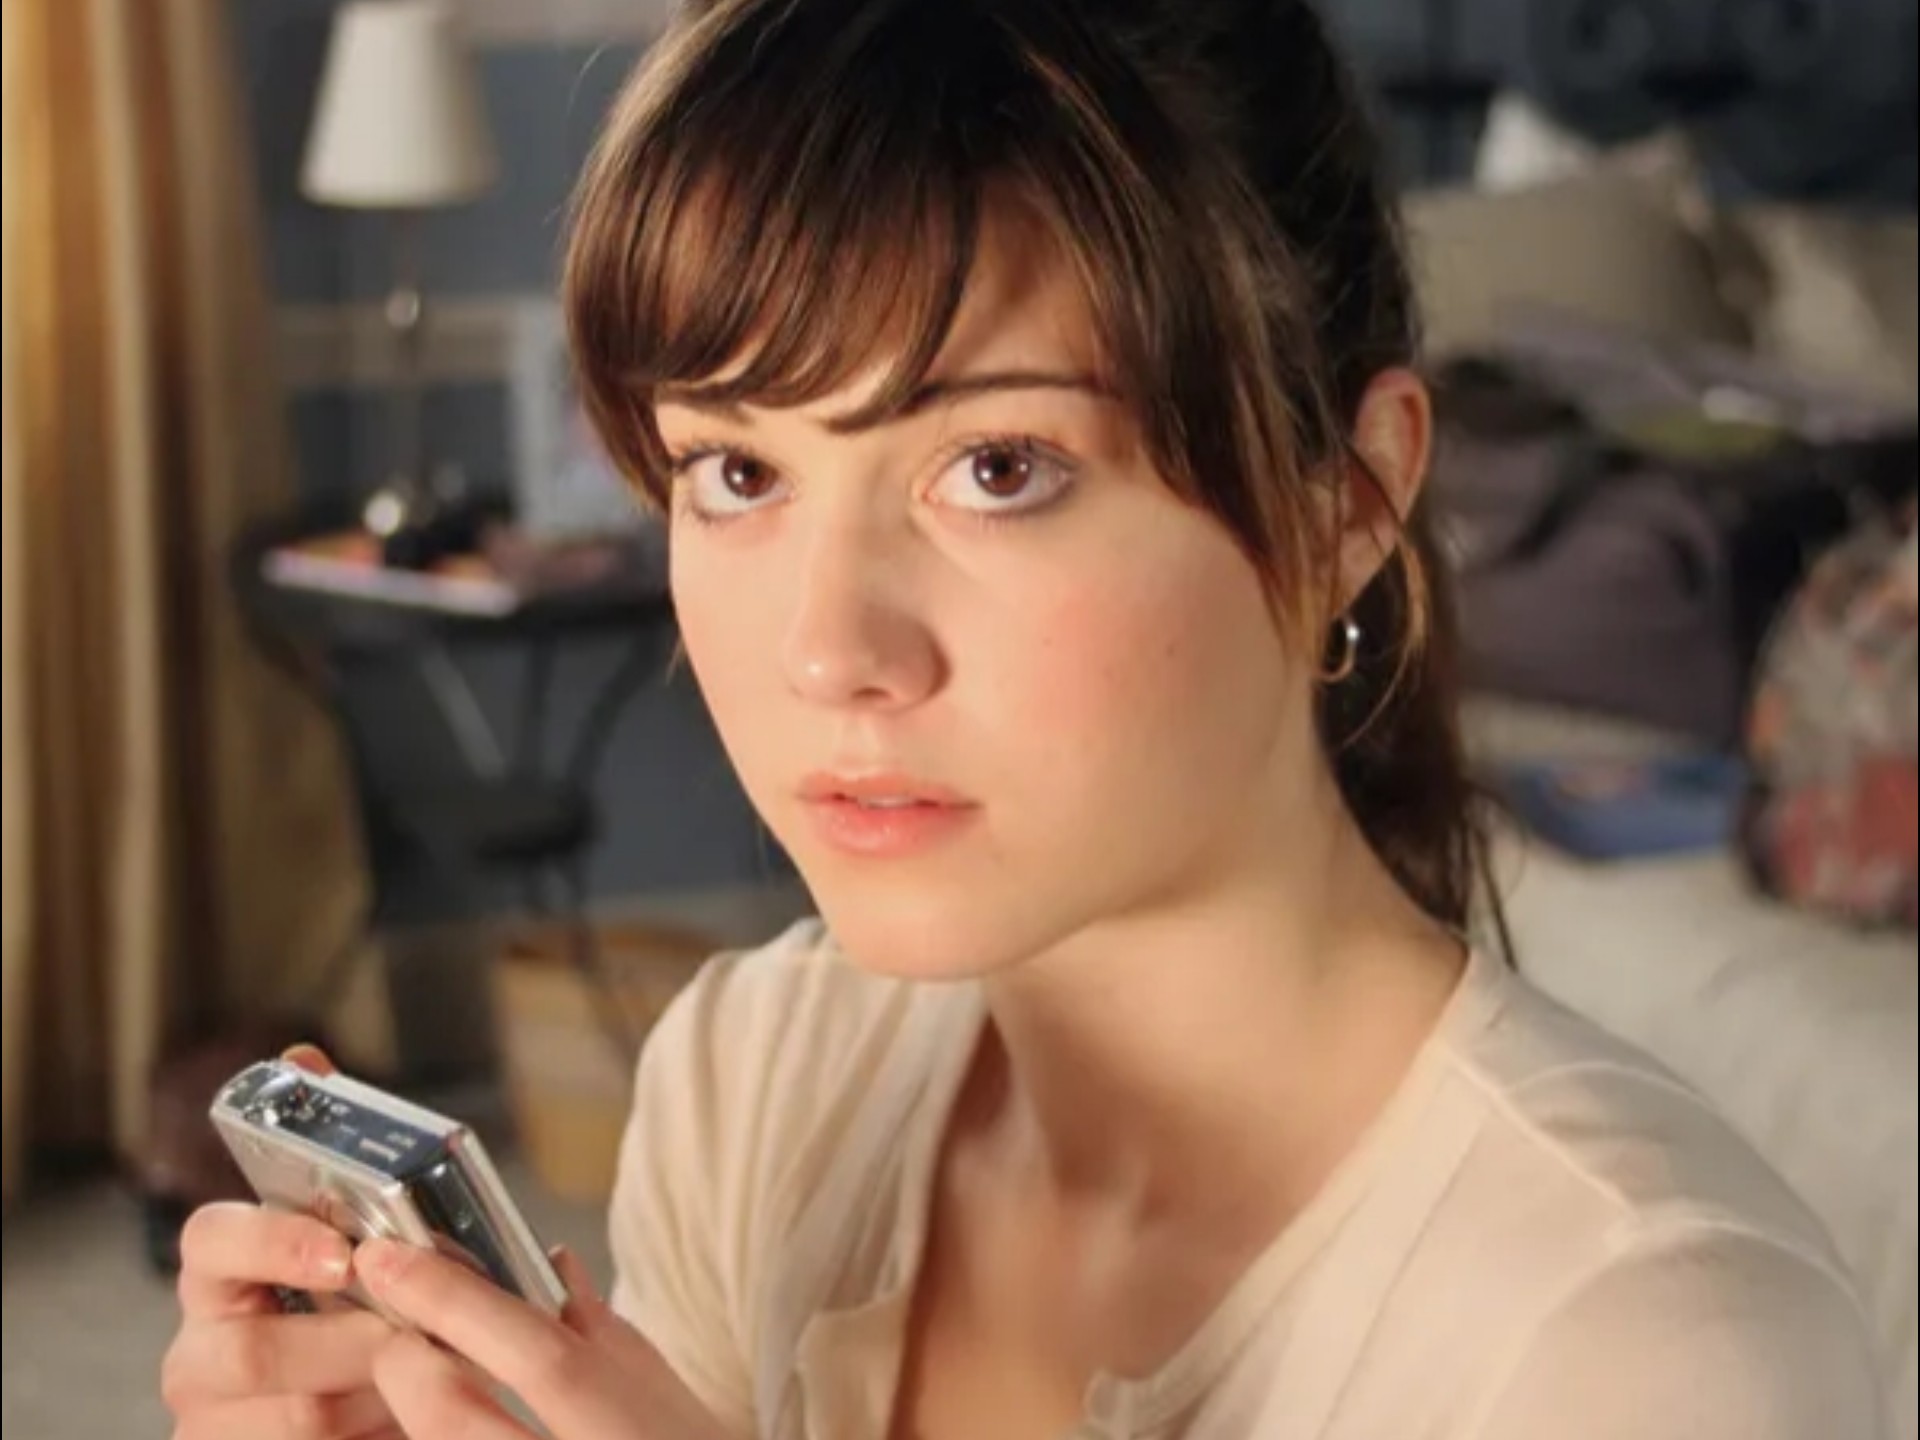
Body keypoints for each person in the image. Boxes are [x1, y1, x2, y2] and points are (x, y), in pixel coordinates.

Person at [160, 1, 1893, 1437]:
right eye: (738, 471)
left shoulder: (1644, 1346)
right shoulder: (753, 1077)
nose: (828, 651)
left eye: (998, 468)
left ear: (1350, 502)